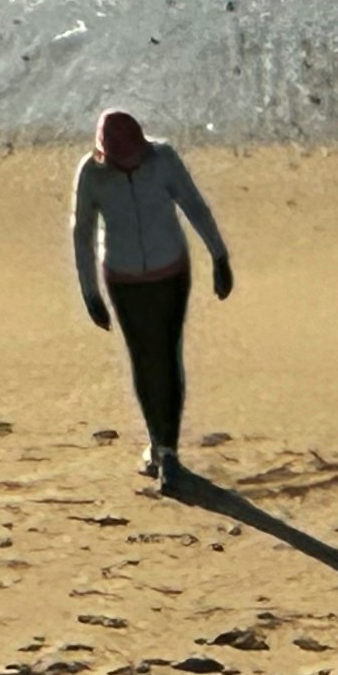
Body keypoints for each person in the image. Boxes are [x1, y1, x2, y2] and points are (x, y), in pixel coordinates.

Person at [69, 109, 232, 493]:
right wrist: (90, 293)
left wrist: (219, 256)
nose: (127, 167)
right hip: (124, 281)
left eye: (133, 159)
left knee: (167, 354)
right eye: (118, 160)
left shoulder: (164, 159)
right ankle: (158, 446)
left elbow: (194, 205)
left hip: (171, 273)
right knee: (144, 360)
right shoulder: (91, 173)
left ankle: (169, 453)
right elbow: (83, 233)